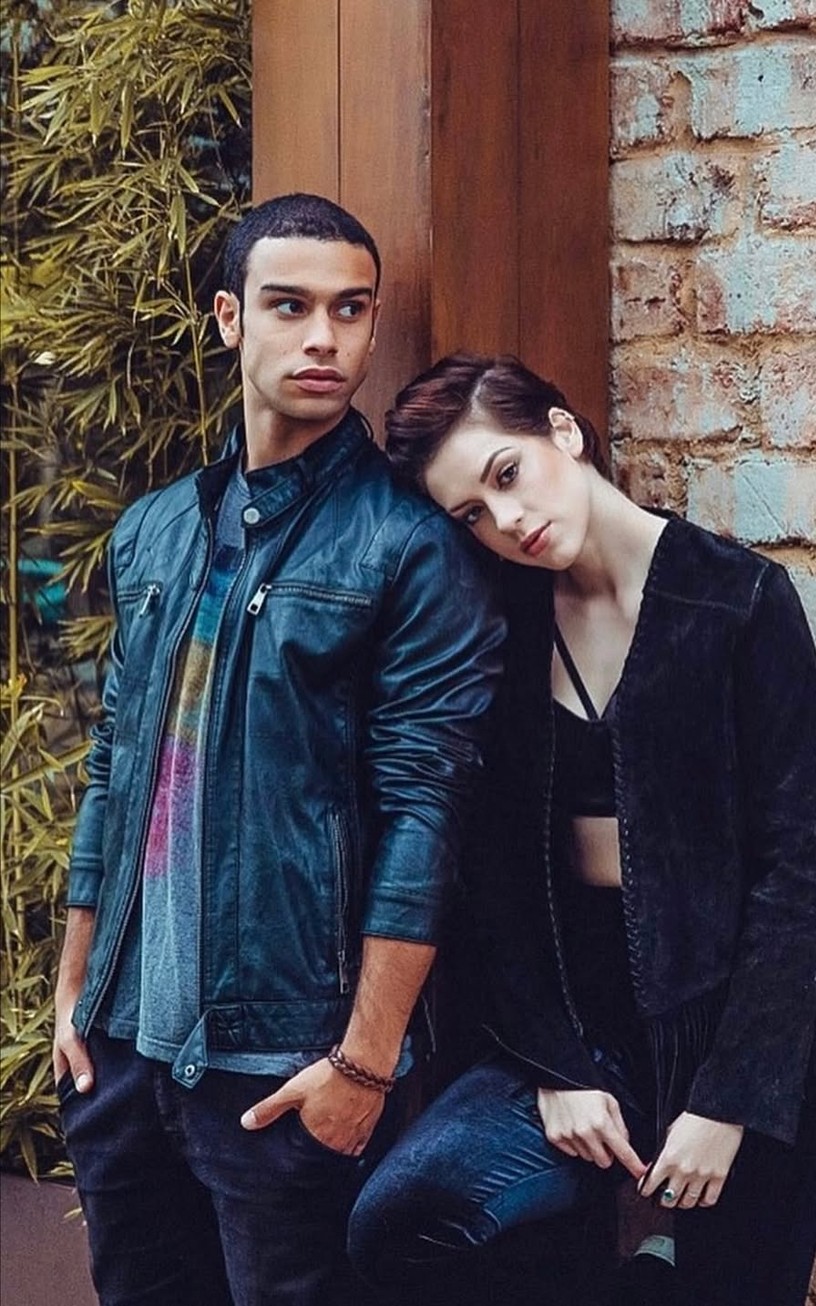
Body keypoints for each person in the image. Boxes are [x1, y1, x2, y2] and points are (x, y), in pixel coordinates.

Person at [52, 198, 503, 1306]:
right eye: (290, 307)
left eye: (351, 311)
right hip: (122, 1054)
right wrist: (73, 993)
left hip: (284, 1070)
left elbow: (425, 819)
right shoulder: (155, 530)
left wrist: (364, 1065)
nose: (324, 339)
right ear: (229, 318)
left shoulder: (411, 546)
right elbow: (114, 768)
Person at [348, 353, 816, 1306]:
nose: (507, 521)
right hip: (583, 1031)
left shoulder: (739, 600)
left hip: (740, 1037)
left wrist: (727, 1102)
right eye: (472, 514)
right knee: (398, 1222)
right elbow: (491, 881)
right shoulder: (500, 626)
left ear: (562, 431)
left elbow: (796, 874)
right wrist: (557, 1069)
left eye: (507, 474)